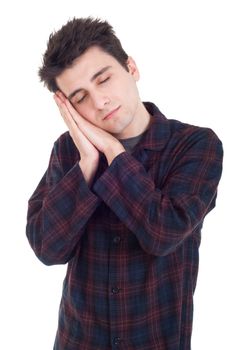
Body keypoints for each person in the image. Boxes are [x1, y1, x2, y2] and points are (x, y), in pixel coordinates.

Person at [26, 17, 223, 350]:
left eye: (104, 79)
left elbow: (163, 233)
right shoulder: (68, 150)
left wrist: (113, 151)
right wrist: (87, 164)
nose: (99, 101)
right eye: (80, 97)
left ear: (130, 67)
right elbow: (48, 249)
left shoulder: (196, 145)